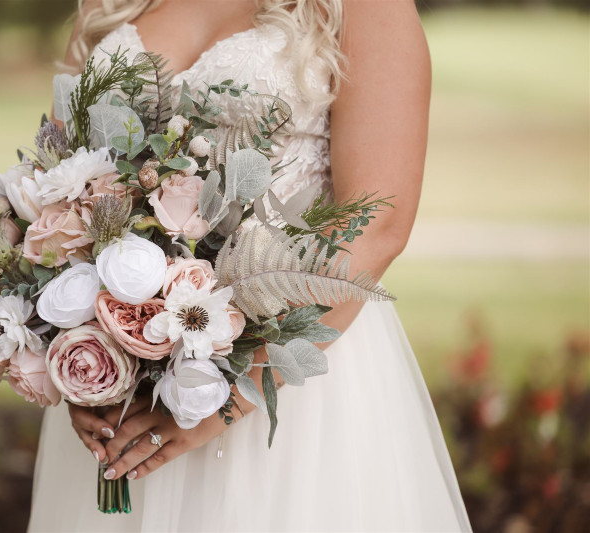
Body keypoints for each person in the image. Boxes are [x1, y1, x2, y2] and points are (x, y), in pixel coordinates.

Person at [28, 0, 472, 531]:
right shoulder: (110, 6)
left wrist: (231, 397)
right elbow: (61, 184)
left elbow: (377, 228)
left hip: (286, 388)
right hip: (122, 394)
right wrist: (80, 362)